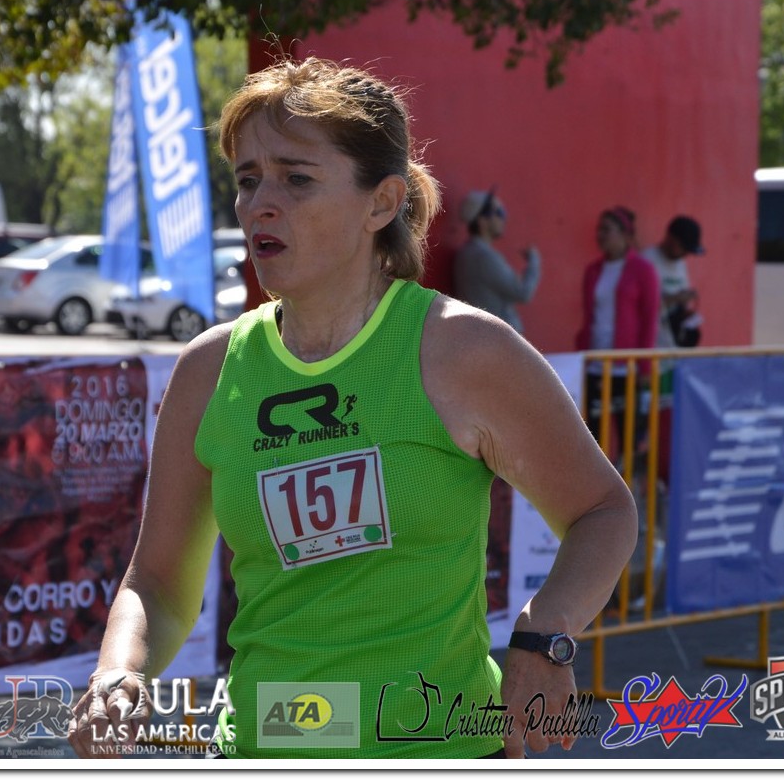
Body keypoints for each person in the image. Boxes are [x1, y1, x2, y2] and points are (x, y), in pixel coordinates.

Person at [66, 57, 637, 760]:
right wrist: (119, 672)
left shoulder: (463, 350)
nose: (259, 204)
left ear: (382, 203)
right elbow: (157, 582)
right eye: (247, 180)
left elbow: (603, 511)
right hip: (263, 748)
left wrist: (546, 634)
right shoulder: (209, 371)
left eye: (296, 179)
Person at [573, 206, 661, 456]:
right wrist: (581, 355)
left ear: (625, 234)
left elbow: (650, 319)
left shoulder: (643, 270)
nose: (600, 235)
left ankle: (629, 480)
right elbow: (589, 315)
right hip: (595, 362)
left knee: (629, 433)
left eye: (607, 229)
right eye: (598, 229)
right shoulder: (593, 270)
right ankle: (598, 481)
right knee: (593, 433)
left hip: (626, 365)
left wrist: (644, 366)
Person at [452, 188, 541, 335]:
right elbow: (523, 292)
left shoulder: (467, 253)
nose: (503, 218)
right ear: (482, 221)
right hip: (496, 339)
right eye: (499, 213)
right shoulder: (484, 257)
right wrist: (534, 262)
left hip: (482, 337)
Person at [642, 215, 704, 349]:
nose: (685, 253)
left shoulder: (680, 263)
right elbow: (641, 306)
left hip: (672, 344)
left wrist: (687, 314)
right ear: (670, 238)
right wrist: (675, 299)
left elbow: (681, 298)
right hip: (651, 345)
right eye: (683, 247)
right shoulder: (646, 261)